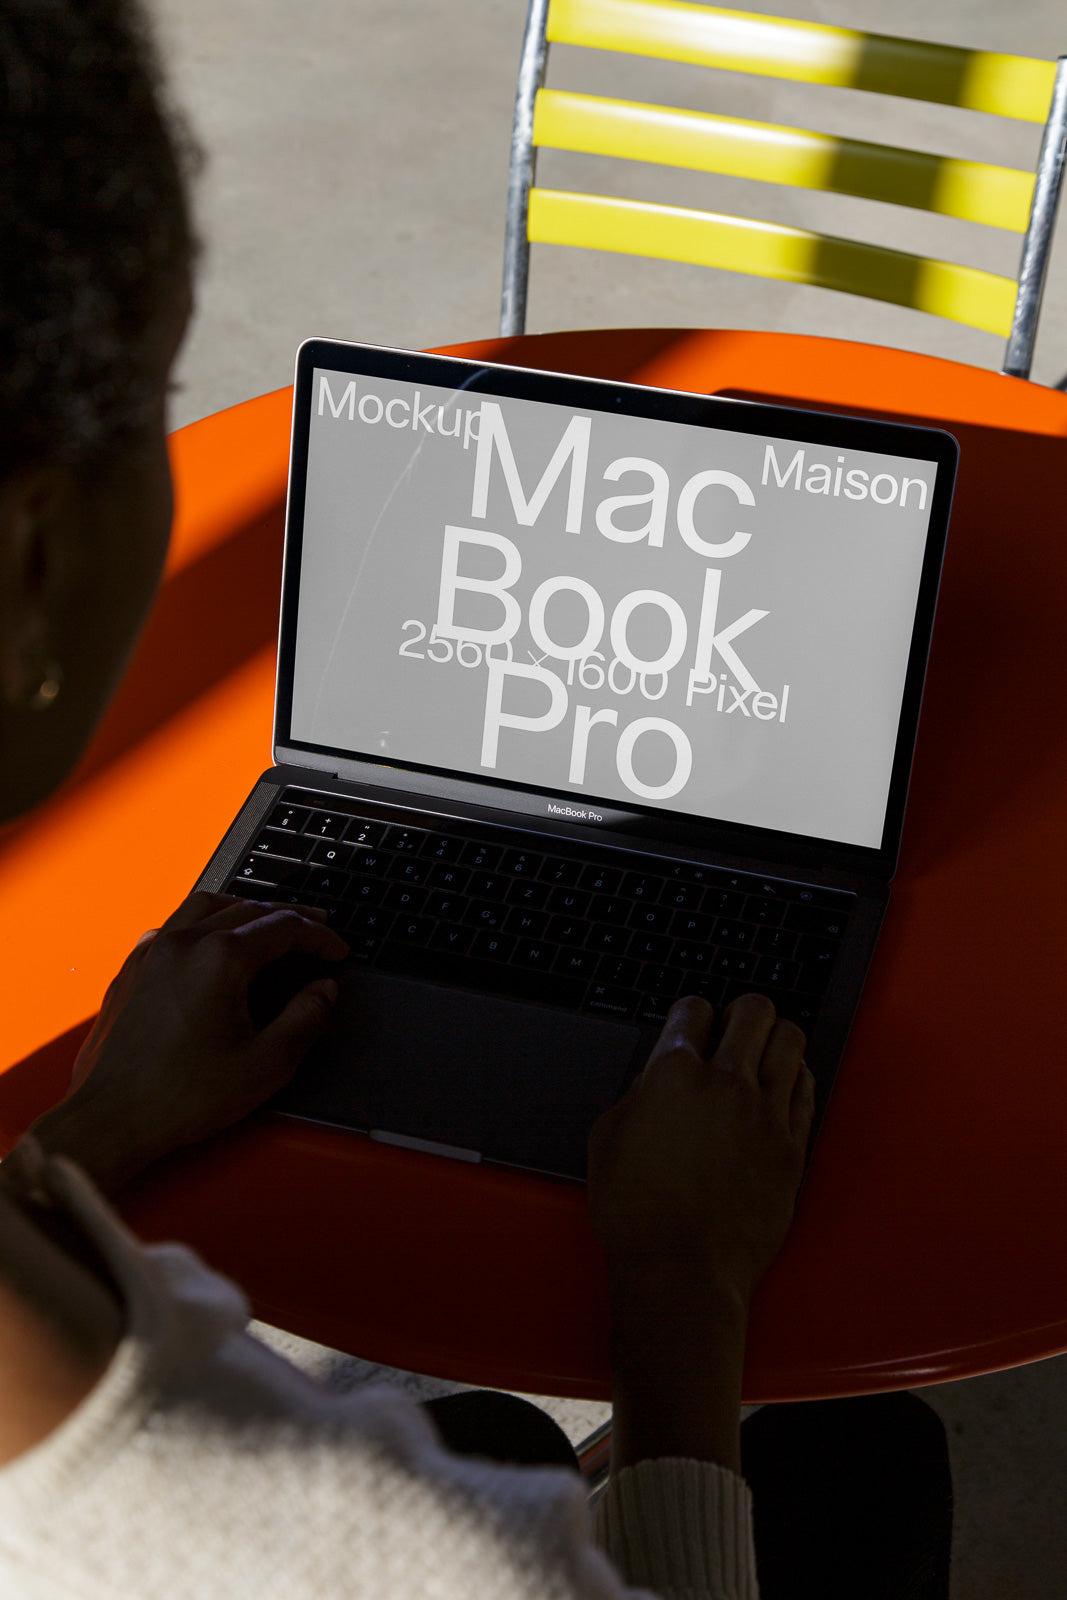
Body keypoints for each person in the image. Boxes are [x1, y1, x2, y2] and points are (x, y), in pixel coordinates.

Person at [0, 3, 952, 1596]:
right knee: (866, 1459)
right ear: (33, 553)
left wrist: (91, 1132)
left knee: (508, 1429)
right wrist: (680, 1289)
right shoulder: (326, 1542)